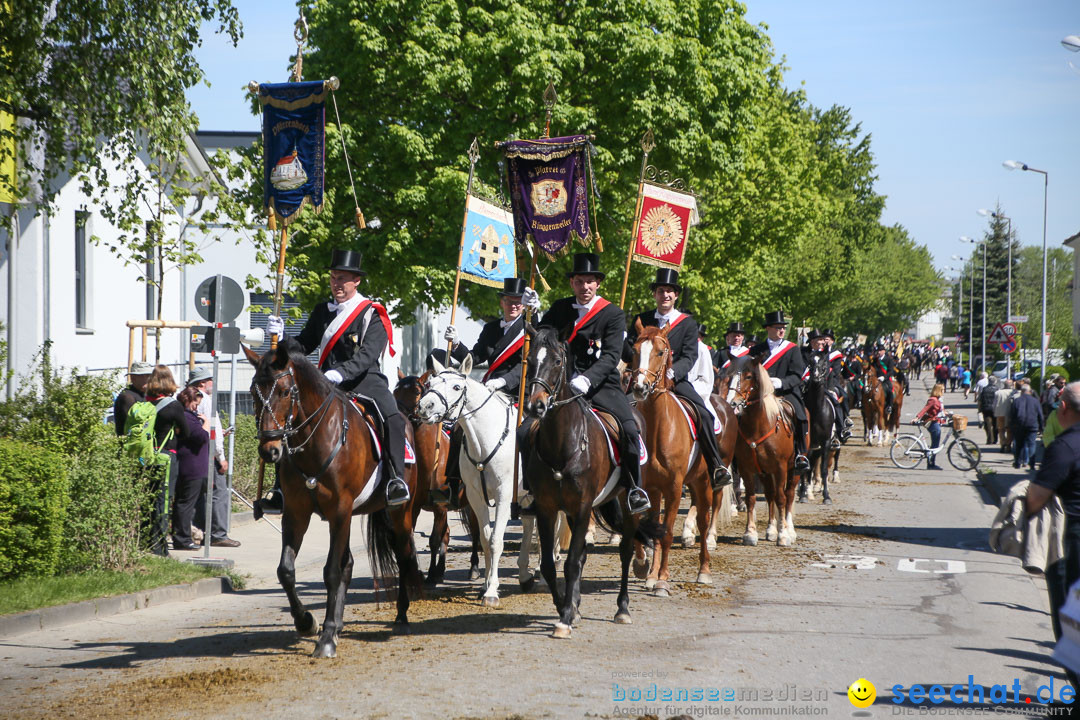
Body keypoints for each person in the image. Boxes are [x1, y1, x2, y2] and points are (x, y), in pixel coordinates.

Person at [262, 248, 410, 513]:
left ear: (356, 281)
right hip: (324, 382)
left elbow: (367, 354)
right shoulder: (322, 311)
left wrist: (340, 372)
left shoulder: (371, 313)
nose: (337, 284)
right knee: (289, 417)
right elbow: (303, 345)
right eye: (333, 278)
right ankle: (280, 488)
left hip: (365, 380)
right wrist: (281, 336)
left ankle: (396, 479)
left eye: (342, 278)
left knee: (394, 418)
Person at [533, 252, 651, 515]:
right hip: (562, 384)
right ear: (572, 283)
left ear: (597, 283)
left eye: (589, 281)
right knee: (525, 432)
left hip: (601, 384)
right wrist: (532, 313)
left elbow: (611, 355)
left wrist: (588, 378)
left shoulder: (612, 313)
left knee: (630, 430)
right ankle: (533, 490)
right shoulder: (561, 308)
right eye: (579, 281)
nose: (584, 287)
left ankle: (634, 489)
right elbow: (540, 339)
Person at [432, 276, 537, 507]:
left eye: (518, 301)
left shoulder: (530, 326)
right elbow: (476, 357)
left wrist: (503, 381)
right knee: (461, 426)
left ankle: (533, 486)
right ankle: (453, 482)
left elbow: (527, 365)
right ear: (502, 302)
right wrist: (457, 344)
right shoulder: (491, 329)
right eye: (509, 300)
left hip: (519, 393)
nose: (514, 305)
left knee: (531, 433)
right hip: (489, 392)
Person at [625, 268, 731, 490]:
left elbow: (690, 355)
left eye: (670, 292)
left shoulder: (687, 324)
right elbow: (629, 352)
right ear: (655, 294)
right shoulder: (641, 320)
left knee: (704, 413)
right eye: (661, 290)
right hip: (643, 380)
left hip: (674, 379)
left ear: (675, 296)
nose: (665, 295)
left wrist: (674, 372)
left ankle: (716, 466)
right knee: (620, 413)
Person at [1024, 381, 1080, 694]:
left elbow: (1036, 497)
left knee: (1070, 623)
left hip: (1071, 542)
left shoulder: (1065, 446)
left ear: (1062, 408)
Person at [747, 310, 810, 471]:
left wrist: (781, 382)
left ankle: (801, 453)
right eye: (777, 327)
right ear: (768, 328)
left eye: (783, 327)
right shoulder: (756, 350)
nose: (781, 330)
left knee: (801, 415)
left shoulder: (793, 349)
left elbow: (797, 375)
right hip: (760, 394)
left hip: (785, 392)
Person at [186, 367, 240, 547]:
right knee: (219, 493)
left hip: (197, 452)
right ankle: (218, 534)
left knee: (201, 494)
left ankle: (200, 531)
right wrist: (221, 457)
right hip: (211, 454)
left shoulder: (189, 399)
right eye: (210, 380)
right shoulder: (207, 399)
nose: (213, 383)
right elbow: (213, 431)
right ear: (202, 383)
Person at [143, 365, 189, 556]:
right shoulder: (173, 406)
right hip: (166, 457)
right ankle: (159, 548)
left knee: (147, 500)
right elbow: (185, 432)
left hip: (144, 457)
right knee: (163, 502)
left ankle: (145, 542)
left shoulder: (145, 403)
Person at [172, 386, 209, 551]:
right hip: (191, 467)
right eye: (195, 402)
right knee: (185, 504)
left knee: (185, 503)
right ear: (187, 400)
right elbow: (201, 436)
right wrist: (206, 424)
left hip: (192, 467)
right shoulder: (187, 417)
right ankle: (182, 539)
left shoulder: (189, 417)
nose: (197, 406)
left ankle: (183, 537)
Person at [1010, 383, 1044, 471]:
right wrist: (1041, 427)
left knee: (1019, 444)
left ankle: (1018, 462)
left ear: (1021, 391)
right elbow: (1040, 415)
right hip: (1032, 425)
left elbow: (1012, 415)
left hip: (1019, 425)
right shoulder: (1035, 401)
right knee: (1031, 444)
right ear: (1029, 391)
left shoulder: (1017, 401)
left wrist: (1012, 426)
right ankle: (1032, 464)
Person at [114, 361, 153, 435]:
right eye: (144, 376)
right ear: (133, 378)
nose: (148, 379)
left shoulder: (145, 395)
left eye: (149, 375)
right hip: (132, 443)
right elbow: (135, 424)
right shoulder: (127, 397)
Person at [914, 383, 947, 470]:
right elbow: (925, 409)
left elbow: (941, 411)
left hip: (936, 422)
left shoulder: (938, 400)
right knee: (935, 445)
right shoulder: (933, 400)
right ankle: (931, 464)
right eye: (942, 390)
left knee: (935, 444)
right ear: (938, 390)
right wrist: (917, 418)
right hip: (932, 422)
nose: (944, 391)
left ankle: (931, 462)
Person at [868, 344, 898, 419]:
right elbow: (871, 369)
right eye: (878, 351)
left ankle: (889, 406)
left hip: (885, 379)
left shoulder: (889, 359)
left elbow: (891, 371)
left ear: (884, 351)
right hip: (876, 379)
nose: (879, 352)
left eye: (880, 350)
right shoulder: (875, 360)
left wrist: (884, 377)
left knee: (890, 390)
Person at [994, 379, 1015, 453]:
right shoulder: (1013, 393)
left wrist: (995, 412)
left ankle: (1003, 443)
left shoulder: (998, 393)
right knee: (1009, 430)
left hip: (1000, 413)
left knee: (1001, 430)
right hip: (1009, 414)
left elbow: (994, 404)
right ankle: (1008, 444)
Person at [978, 375, 999, 446]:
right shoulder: (997, 389)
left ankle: (990, 439)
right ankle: (995, 439)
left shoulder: (984, 389)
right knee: (996, 424)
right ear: (995, 382)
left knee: (988, 425)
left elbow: (980, 399)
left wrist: (980, 409)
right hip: (995, 409)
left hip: (986, 409)